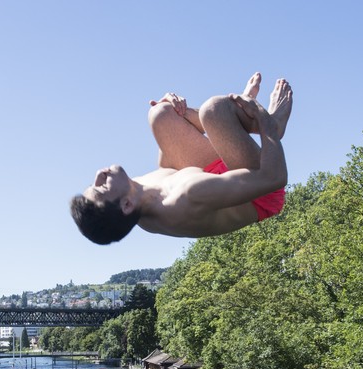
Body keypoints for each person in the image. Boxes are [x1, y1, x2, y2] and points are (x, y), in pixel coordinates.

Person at [70, 72, 293, 244]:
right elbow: (274, 178)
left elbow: (169, 169)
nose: (99, 175)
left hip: (213, 177)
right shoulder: (186, 197)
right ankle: (266, 121)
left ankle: (240, 119)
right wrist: (267, 125)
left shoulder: (137, 197)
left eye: (93, 184)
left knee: (160, 115)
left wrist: (174, 111)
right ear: (126, 205)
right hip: (260, 189)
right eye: (100, 188)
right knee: (213, 110)